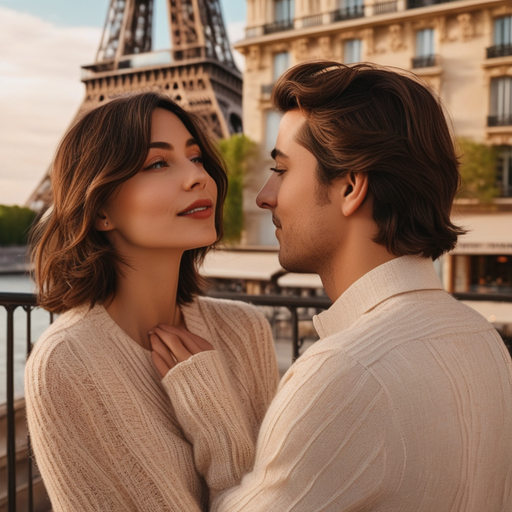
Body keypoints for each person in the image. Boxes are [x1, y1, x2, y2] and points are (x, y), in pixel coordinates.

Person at [150, 61, 512, 511]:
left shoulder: (343, 371)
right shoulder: (483, 339)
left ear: (351, 188)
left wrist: (215, 422)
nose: (265, 196)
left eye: (281, 170)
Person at [24, 92, 279, 511]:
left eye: (196, 158)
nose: (197, 177)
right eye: (158, 163)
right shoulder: (65, 365)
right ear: (102, 209)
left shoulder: (246, 330)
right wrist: (217, 421)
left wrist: (212, 412)